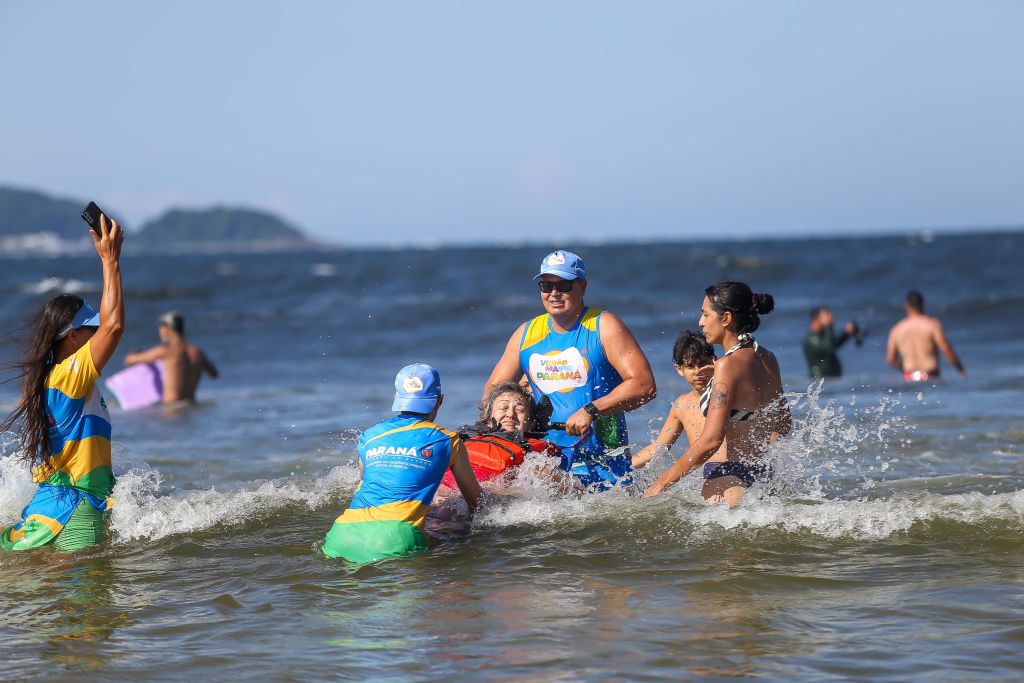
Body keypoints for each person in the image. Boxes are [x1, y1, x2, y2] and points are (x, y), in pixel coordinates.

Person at [1, 214, 125, 552]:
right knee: (90, 604)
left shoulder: (43, 378)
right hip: (77, 512)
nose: (98, 334)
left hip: (45, 509)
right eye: (91, 329)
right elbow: (114, 326)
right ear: (72, 337)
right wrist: (109, 259)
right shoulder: (71, 375)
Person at [483, 250, 656, 488]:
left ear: (582, 286)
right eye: (546, 285)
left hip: (604, 463)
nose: (554, 293)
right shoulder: (526, 333)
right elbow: (492, 391)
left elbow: (644, 385)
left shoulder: (603, 326)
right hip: (544, 463)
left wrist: (591, 410)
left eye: (563, 285)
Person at [644, 282, 791, 506]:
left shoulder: (727, 366)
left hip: (728, 478)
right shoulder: (768, 358)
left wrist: (661, 484)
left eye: (705, 314)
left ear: (726, 319)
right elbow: (783, 422)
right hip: (764, 477)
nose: (700, 322)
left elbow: (711, 441)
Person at [322, 364, 482, 563]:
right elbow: (476, 502)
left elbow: (370, 485)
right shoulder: (447, 440)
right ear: (439, 401)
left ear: (395, 398)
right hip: (397, 539)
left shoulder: (369, 436)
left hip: (340, 537)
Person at [631, 331, 722, 470]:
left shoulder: (725, 394)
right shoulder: (682, 405)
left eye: (704, 364)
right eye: (691, 366)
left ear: (714, 362)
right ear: (679, 369)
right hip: (707, 473)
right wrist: (626, 466)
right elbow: (659, 447)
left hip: (731, 468)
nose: (698, 372)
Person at [124, 310, 218, 404]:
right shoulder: (197, 352)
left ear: (166, 329)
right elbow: (214, 374)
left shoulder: (165, 351)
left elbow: (129, 360)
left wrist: (135, 354)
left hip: (172, 410)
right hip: (191, 407)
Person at [886, 290, 965, 381]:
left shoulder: (897, 329)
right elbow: (946, 349)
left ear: (906, 306)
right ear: (923, 304)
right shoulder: (932, 325)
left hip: (909, 377)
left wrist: (905, 370)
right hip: (930, 376)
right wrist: (960, 369)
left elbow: (890, 359)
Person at [802, 307, 860, 378]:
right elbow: (829, 347)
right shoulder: (810, 339)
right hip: (820, 381)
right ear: (816, 320)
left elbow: (834, 345)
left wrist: (846, 333)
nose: (831, 318)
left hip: (831, 379)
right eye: (826, 316)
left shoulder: (822, 335)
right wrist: (828, 325)